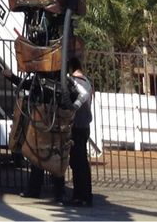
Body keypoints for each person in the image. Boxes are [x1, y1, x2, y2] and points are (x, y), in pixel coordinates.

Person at [65, 56, 94, 207]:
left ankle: (80, 196)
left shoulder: (74, 82)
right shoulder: (87, 81)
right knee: (82, 161)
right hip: (85, 125)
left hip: (77, 125)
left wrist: (73, 107)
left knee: (77, 162)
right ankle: (85, 195)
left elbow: (81, 97)